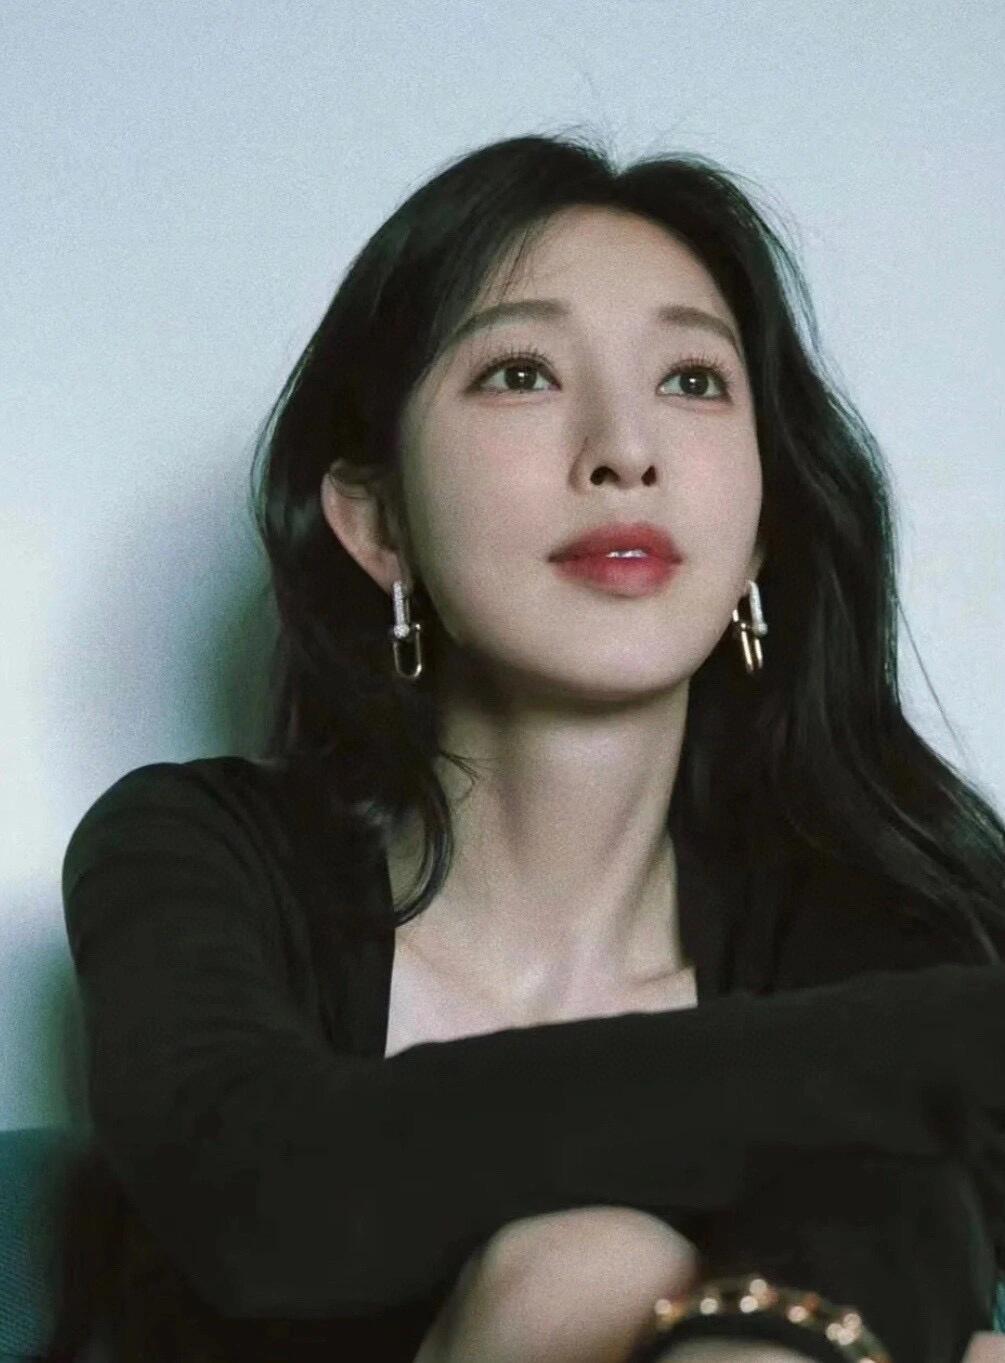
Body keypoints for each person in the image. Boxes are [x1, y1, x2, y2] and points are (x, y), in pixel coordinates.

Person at [46, 129, 1005, 1363]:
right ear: (378, 522)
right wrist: (950, 1047)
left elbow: (907, 1220)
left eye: (693, 381)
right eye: (520, 373)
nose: (625, 450)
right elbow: (261, 1192)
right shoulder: (198, 849)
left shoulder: (866, 928)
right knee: (587, 1267)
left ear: (761, 536)